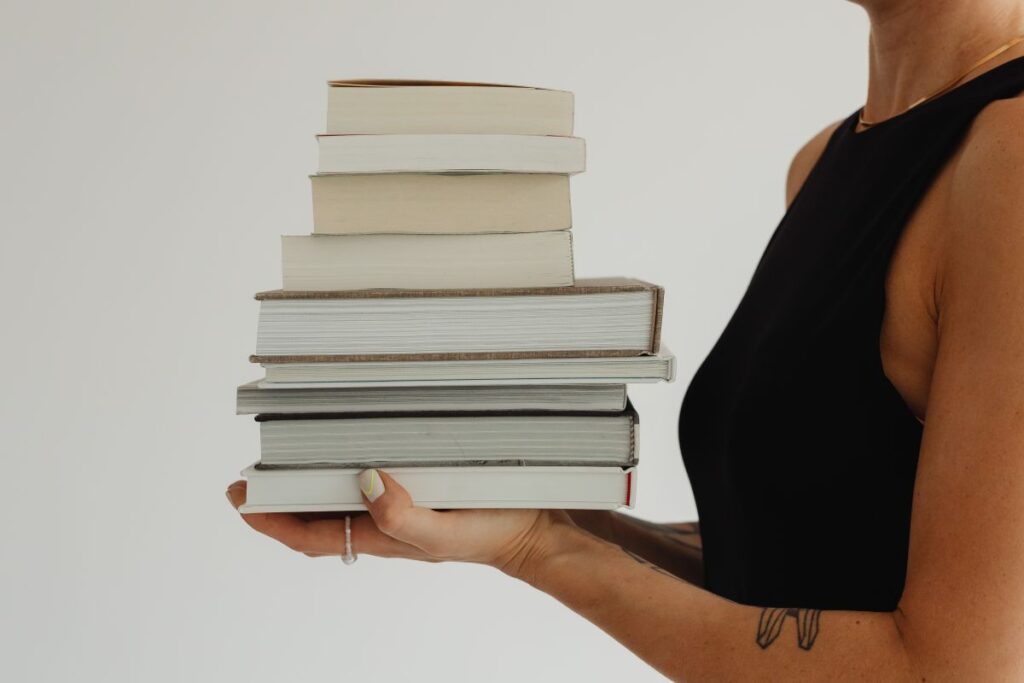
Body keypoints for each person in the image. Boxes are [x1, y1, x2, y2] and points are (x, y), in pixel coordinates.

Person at [226, 0, 1024, 678]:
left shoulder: (1012, 156)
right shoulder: (824, 160)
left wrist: (541, 549)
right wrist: (548, 515)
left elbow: (949, 669)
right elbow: (798, 559)